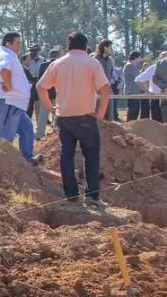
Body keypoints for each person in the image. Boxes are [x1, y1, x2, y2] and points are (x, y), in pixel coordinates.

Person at [36, 31, 111, 207]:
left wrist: (49, 108)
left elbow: (41, 87)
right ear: (85, 47)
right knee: (91, 156)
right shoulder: (92, 63)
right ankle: (92, 196)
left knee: (66, 157)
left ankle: (71, 195)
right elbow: (106, 89)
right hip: (86, 116)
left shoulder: (58, 63)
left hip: (64, 117)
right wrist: (100, 114)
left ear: (68, 46)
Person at [0, 31, 38, 164]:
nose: (19, 46)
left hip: (15, 104)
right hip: (8, 102)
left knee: (27, 130)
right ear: (8, 43)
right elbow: (4, 69)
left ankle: (27, 159)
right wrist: (8, 84)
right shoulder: (5, 55)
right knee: (4, 138)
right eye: (17, 43)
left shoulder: (10, 55)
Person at [122, 51, 147, 121]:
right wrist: (146, 90)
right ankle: (129, 126)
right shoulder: (130, 66)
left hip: (134, 92)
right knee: (133, 111)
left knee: (135, 110)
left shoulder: (131, 65)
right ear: (136, 58)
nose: (139, 60)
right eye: (139, 58)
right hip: (132, 92)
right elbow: (138, 79)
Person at [96, 39, 116, 120]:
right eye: (110, 47)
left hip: (107, 91)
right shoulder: (95, 60)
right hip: (97, 92)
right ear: (105, 48)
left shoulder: (110, 61)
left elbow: (110, 76)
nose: (112, 49)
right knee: (98, 116)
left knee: (109, 117)